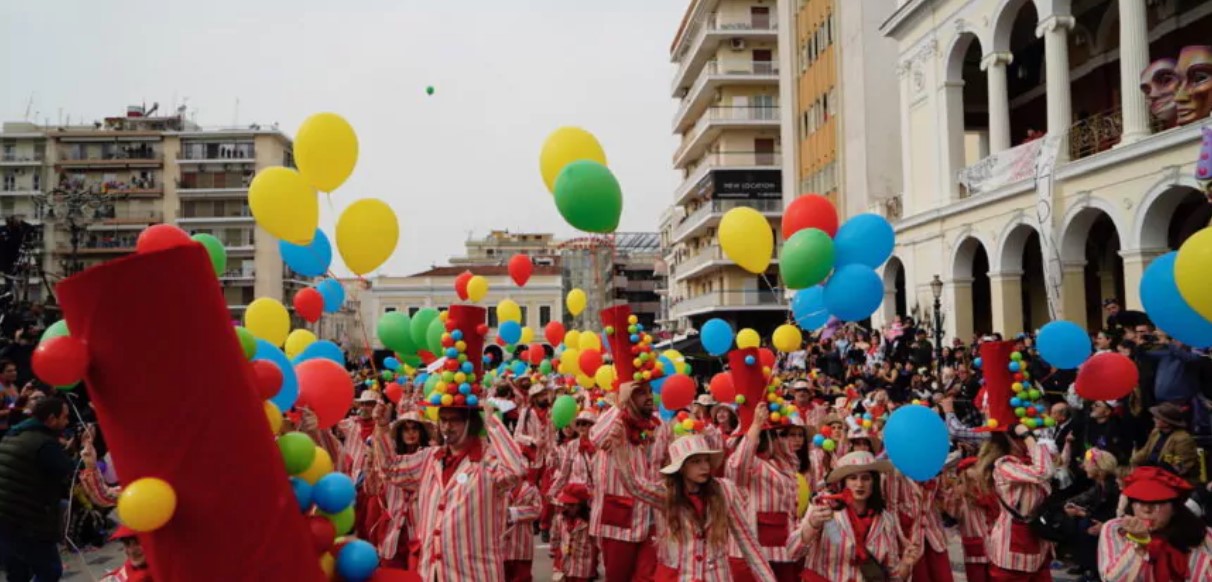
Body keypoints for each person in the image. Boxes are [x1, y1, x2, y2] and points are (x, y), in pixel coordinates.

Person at [370, 305, 528, 582]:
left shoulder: (488, 462)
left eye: (454, 420)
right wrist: (382, 428)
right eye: (443, 419)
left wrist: (493, 423)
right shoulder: (430, 458)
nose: (446, 426)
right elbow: (392, 469)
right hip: (432, 574)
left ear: (470, 420)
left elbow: (517, 470)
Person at [609, 390, 777, 582]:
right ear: (681, 468)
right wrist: (620, 451)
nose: (705, 467)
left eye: (706, 460)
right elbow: (635, 486)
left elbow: (747, 540)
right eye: (696, 462)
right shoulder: (667, 493)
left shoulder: (724, 490)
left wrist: (768, 579)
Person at [586, 305, 673, 582]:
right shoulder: (612, 422)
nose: (649, 397)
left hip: (652, 523)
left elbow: (667, 467)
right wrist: (620, 403)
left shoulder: (660, 428)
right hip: (618, 524)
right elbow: (595, 438)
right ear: (626, 396)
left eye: (650, 391)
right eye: (641, 393)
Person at [791, 451, 915, 581]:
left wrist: (906, 564)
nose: (859, 484)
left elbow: (893, 576)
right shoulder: (824, 509)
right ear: (843, 483)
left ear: (874, 482)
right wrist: (811, 525)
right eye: (853, 478)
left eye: (866, 478)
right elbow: (793, 552)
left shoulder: (885, 521)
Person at [0, 396, 73, 581]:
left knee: (18, 573)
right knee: (50, 570)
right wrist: (81, 455)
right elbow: (69, 471)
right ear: (51, 419)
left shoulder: (14, 433)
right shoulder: (44, 443)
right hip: (26, 519)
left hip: (6, 515)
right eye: (64, 417)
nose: (67, 421)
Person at [726, 405, 801, 582]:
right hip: (753, 554)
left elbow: (794, 460)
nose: (781, 439)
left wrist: (776, 424)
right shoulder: (749, 463)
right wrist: (756, 425)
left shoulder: (780, 462)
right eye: (776, 435)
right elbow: (737, 465)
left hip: (783, 549)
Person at [1097, 466, 1212, 580]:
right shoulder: (1115, 529)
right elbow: (1111, 579)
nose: (1147, 510)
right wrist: (1137, 543)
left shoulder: (1201, 534)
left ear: (1174, 508)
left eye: (1157, 502)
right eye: (1139, 501)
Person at [1062, 448, 1121, 581]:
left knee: (1085, 525)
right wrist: (1070, 505)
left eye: (1087, 464)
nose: (1084, 467)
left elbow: (1111, 514)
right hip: (1102, 521)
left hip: (1113, 525)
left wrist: (1084, 514)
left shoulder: (1113, 487)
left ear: (1098, 466)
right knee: (1077, 521)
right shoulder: (1100, 484)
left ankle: (1095, 571)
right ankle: (1086, 566)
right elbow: (1086, 498)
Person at [1131, 402, 1201, 485]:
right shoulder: (1156, 432)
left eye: (1157, 417)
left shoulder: (1183, 439)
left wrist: (1164, 458)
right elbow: (1145, 451)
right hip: (1152, 475)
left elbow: (1182, 466)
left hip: (1173, 481)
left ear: (1166, 422)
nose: (1153, 419)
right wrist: (1134, 461)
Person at [553, 483, 597, 582]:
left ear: (581, 504)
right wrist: (555, 555)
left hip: (583, 567)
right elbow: (555, 538)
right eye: (565, 504)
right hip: (564, 565)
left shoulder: (590, 521)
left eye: (572, 505)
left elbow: (597, 543)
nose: (567, 507)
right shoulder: (560, 518)